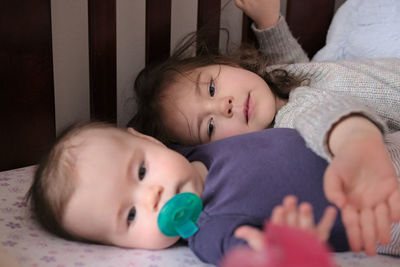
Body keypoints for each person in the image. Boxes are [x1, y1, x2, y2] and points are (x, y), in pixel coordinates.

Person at [128, 0, 400, 256]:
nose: (226, 106)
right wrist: (355, 143)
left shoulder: (276, 78)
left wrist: (269, 22)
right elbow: (326, 118)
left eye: (211, 88)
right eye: (210, 126)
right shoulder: (290, 125)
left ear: (225, 64)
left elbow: (301, 69)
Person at [26, 122, 345, 265]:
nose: (151, 196)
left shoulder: (189, 148)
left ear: (151, 140)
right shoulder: (211, 231)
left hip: (358, 148)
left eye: (141, 172)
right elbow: (248, 254)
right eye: (131, 215)